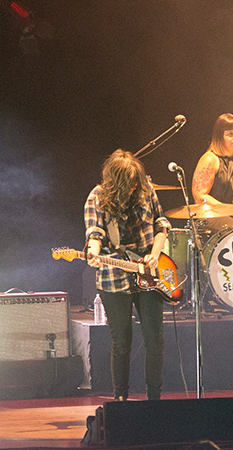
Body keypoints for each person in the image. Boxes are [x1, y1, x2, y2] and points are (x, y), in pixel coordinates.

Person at [85, 149, 170, 401]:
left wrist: (155, 253)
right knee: (121, 342)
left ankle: (154, 398)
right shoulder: (97, 197)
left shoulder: (146, 191)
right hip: (114, 278)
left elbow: (161, 224)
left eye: (136, 182)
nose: (134, 188)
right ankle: (120, 398)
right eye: (129, 184)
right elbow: (95, 232)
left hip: (149, 275)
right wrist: (92, 252)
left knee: (155, 340)